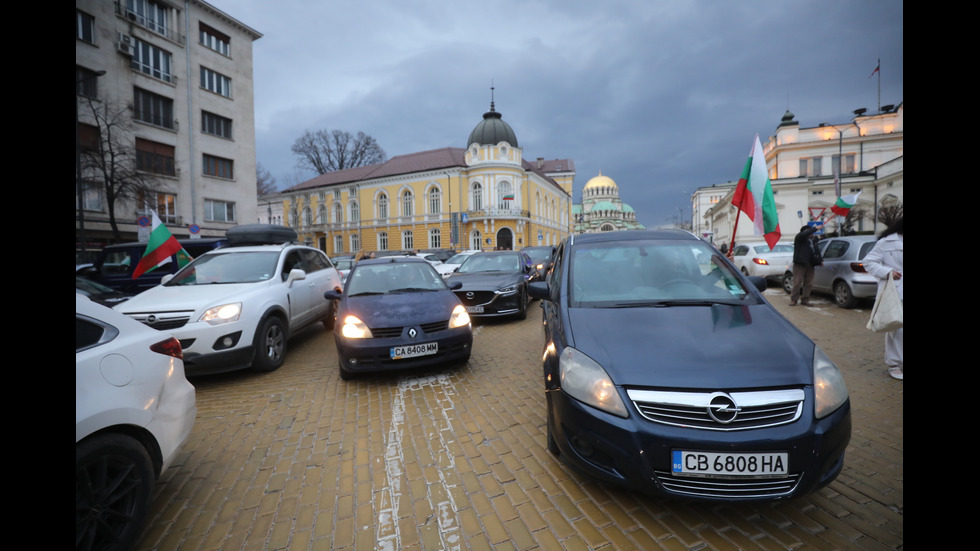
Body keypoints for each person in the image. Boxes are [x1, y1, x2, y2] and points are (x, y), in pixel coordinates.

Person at [863, 217, 903, 380]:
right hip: (895, 290)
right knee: (897, 328)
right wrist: (888, 272)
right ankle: (894, 364)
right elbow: (868, 262)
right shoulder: (886, 242)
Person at [789, 218, 829, 306]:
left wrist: (820, 260)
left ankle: (805, 300)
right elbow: (805, 233)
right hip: (800, 263)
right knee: (797, 282)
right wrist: (816, 228)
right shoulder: (799, 238)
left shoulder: (813, 240)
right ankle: (794, 299)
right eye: (810, 232)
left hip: (811, 264)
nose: (811, 234)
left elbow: (816, 250)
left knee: (809, 283)